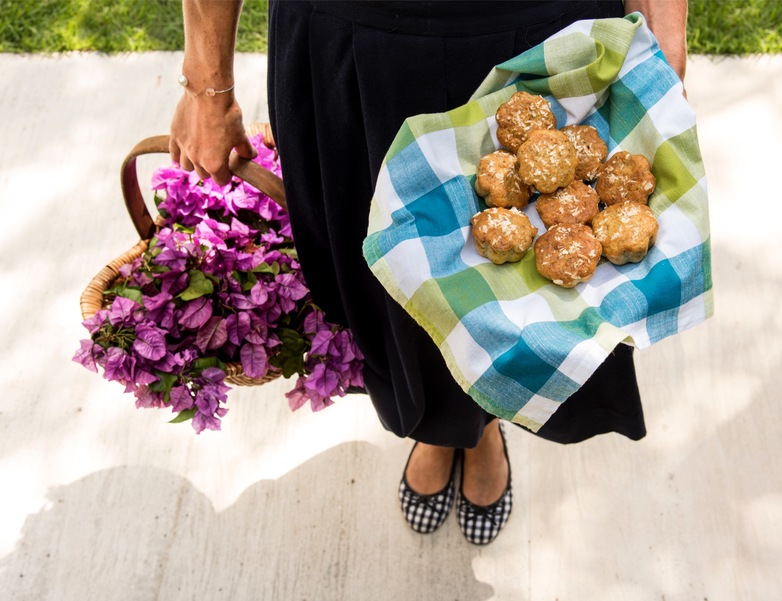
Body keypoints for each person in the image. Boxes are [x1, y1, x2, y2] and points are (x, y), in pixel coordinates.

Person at [170, 0, 688, 545]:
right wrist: (207, 82)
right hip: (351, 39)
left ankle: (481, 430)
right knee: (386, 294)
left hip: (539, 27)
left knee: (528, 302)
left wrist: (664, 29)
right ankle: (442, 430)